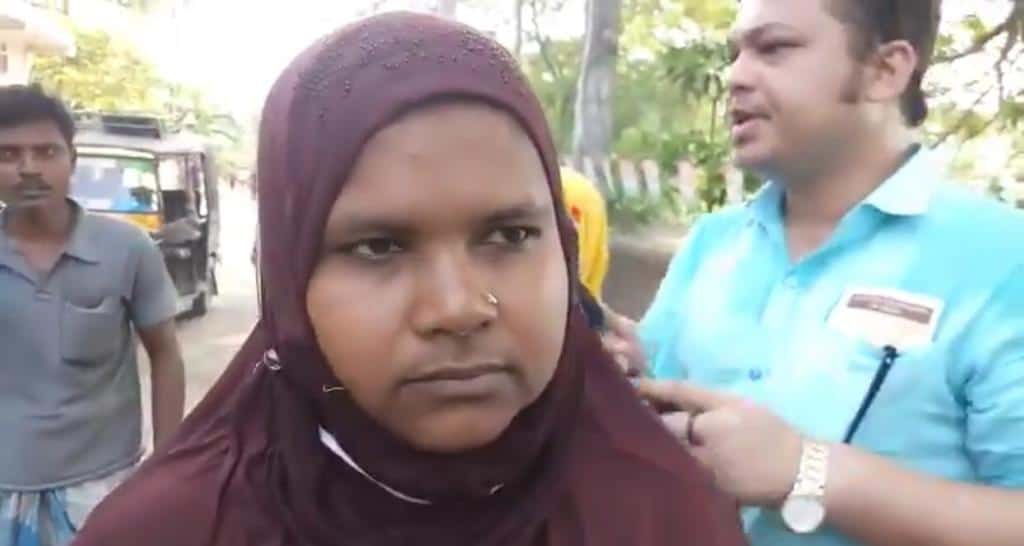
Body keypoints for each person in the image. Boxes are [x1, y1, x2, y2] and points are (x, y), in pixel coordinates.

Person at [71, 13, 747, 546]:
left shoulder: (665, 511)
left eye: (510, 236)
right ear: (287, 278)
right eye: (377, 247)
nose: (456, 309)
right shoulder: (173, 529)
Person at [602, 1, 1024, 545]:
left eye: (773, 48)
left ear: (885, 70)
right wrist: (622, 374)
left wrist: (808, 470)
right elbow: (660, 418)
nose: (734, 76)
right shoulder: (713, 243)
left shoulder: (1000, 260)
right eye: (734, 53)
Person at [0, 85, 186, 545]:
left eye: (46, 152)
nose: (28, 169)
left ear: (72, 161)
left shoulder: (127, 249)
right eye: (8, 154)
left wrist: (168, 464)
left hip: (102, 487)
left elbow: (165, 355)